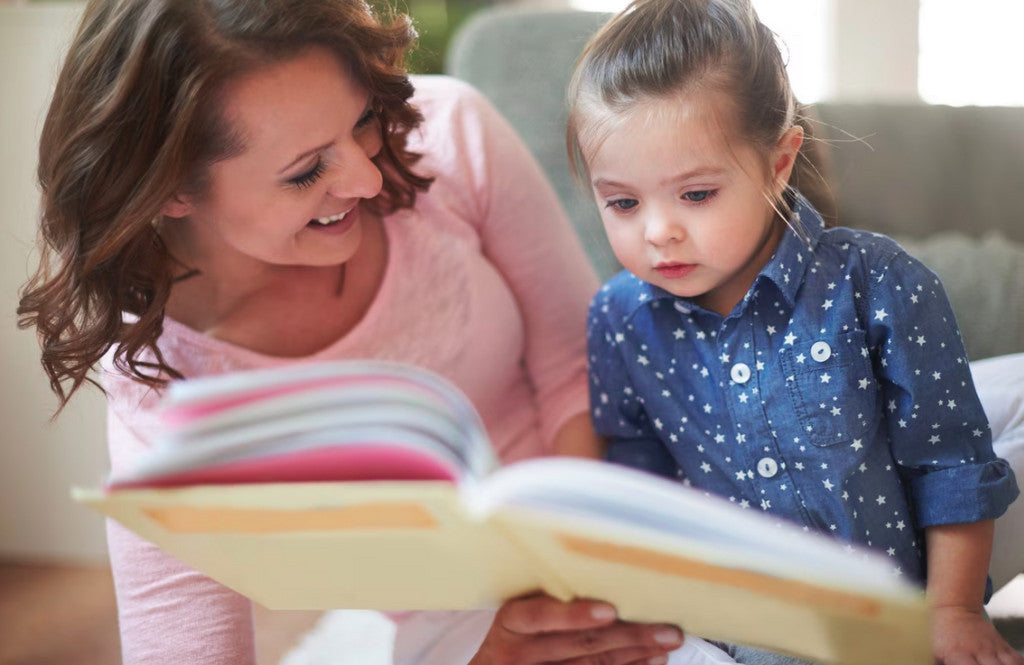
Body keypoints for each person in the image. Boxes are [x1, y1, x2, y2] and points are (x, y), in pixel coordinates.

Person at [14, 1, 701, 664]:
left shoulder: (449, 133)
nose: (369, 177)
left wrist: (568, 570)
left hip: (610, 513)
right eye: (306, 170)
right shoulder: (160, 383)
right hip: (455, 623)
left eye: (363, 121)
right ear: (170, 187)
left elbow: (580, 365)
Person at [567, 1, 1022, 664]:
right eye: (623, 202)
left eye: (695, 194)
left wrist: (952, 610)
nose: (657, 230)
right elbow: (640, 477)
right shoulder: (620, 319)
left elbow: (949, 463)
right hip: (735, 619)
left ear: (780, 162)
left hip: (894, 602)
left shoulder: (881, 284)